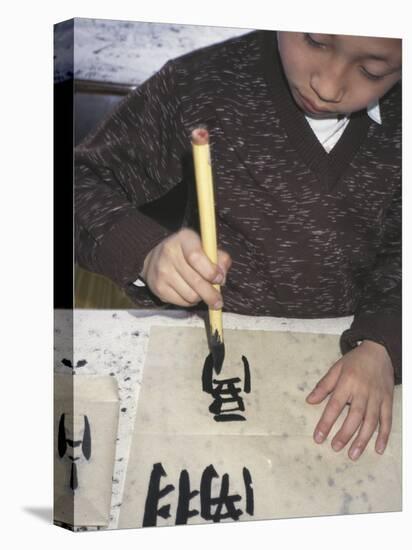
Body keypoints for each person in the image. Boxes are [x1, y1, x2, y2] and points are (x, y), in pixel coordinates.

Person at [75, 30, 402, 461]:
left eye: (372, 70)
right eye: (315, 42)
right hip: (207, 349)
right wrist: (143, 250)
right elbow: (79, 183)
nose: (328, 85)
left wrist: (384, 342)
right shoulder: (202, 83)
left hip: (348, 356)